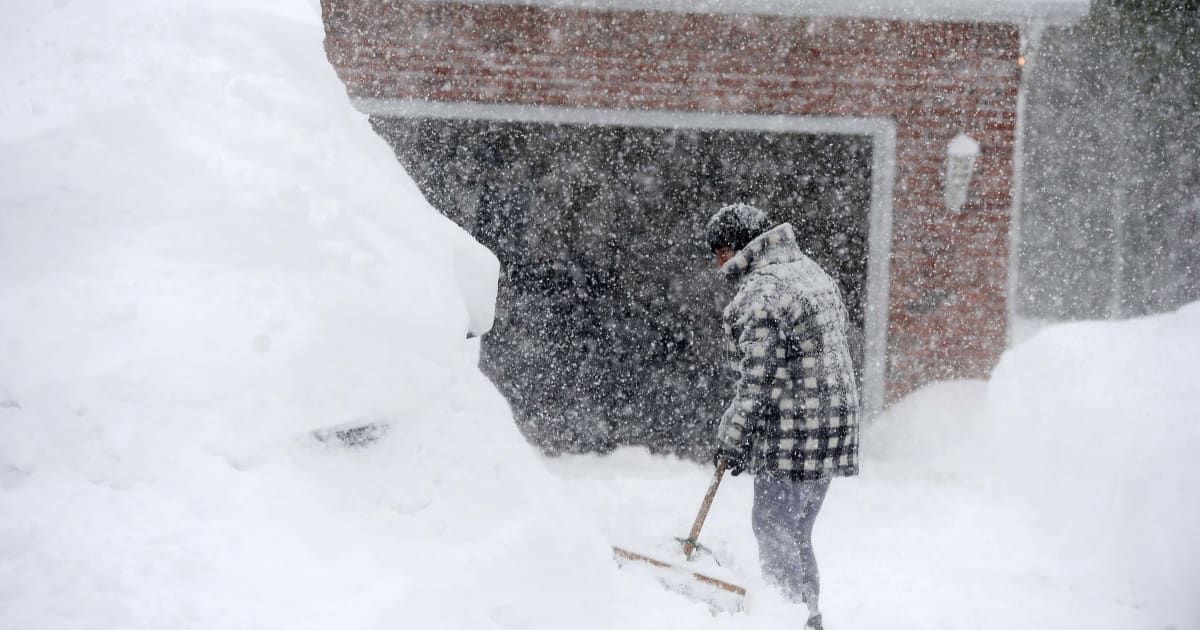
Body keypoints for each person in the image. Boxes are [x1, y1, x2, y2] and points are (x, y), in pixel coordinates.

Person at [705, 203, 860, 630]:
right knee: (797, 533)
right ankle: (809, 616)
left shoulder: (762, 292)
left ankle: (787, 621)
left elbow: (758, 380)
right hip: (833, 426)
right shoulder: (811, 272)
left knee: (773, 528)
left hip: (794, 430)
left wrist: (733, 440)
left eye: (719, 251)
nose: (719, 263)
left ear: (735, 247)